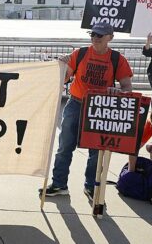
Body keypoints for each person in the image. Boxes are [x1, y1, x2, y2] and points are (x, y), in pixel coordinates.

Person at [41, 22, 133, 199]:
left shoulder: (117, 59)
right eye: (93, 35)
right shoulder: (81, 53)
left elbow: (127, 86)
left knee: (96, 151)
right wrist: (60, 66)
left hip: (99, 109)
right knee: (64, 147)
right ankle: (59, 184)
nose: (95, 38)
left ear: (110, 38)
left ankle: (91, 186)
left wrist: (119, 92)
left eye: (100, 35)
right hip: (75, 104)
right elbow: (65, 78)